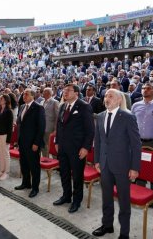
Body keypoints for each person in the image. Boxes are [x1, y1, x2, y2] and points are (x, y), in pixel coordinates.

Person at [92, 89, 141, 239]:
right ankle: (107, 225)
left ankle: (124, 233)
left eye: (111, 96)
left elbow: (136, 144)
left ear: (119, 100)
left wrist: (134, 168)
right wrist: (97, 161)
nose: (107, 98)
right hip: (105, 165)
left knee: (124, 201)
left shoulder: (128, 117)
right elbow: (98, 141)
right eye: (106, 96)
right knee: (106, 198)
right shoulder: (100, 117)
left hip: (122, 166)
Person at [53, 83, 95, 213]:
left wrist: (85, 148)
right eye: (64, 90)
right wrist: (57, 141)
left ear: (76, 93)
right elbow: (59, 126)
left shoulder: (84, 106)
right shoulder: (62, 106)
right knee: (64, 173)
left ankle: (77, 201)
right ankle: (66, 196)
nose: (65, 92)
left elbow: (90, 130)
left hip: (77, 148)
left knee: (77, 176)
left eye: (68, 90)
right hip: (63, 147)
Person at [15, 88, 45, 198]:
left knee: (34, 166)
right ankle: (26, 183)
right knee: (24, 164)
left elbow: (41, 127)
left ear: (33, 96)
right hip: (22, 141)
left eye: (26, 94)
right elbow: (20, 124)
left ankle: (35, 188)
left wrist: (36, 143)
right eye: (23, 94)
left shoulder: (38, 108)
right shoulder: (22, 106)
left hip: (32, 143)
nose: (24, 96)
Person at [0, 94, 13, 180]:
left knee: (6, 153)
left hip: (5, 135)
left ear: (5, 100)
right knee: (0, 153)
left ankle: (7, 172)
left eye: (1, 98)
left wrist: (9, 139)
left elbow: (10, 126)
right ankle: (1, 170)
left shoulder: (9, 111)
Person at [41, 87, 59, 157]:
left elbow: (57, 116)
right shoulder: (42, 101)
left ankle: (54, 161)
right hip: (42, 127)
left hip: (50, 128)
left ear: (48, 93)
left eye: (44, 92)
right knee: (43, 144)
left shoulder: (55, 102)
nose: (43, 93)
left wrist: (55, 129)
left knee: (50, 144)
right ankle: (45, 158)